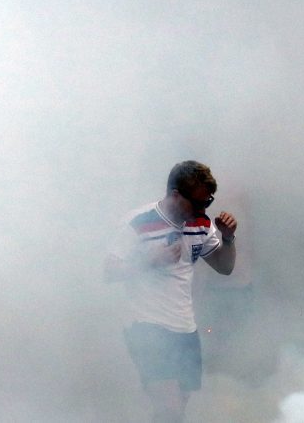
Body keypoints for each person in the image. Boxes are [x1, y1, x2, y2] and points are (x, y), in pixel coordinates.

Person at [105, 161, 238, 423]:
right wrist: (151, 261)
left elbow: (224, 267)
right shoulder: (139, 222)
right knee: (171, 411)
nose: (203, 211)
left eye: (207, 203)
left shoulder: (201, 224)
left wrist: (229, 238)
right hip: (148, 327)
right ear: (176, 195)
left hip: (185, 328)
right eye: (197, 204)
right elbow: (109, 271)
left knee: (176, 409)